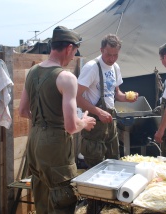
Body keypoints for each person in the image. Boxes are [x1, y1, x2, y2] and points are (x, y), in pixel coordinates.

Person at [19, 26, 96, 214]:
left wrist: (43, 120)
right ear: (69, 48)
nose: (74, 55)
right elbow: (70, 126)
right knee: (62, 197)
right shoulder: (66, 78)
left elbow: (22, 111)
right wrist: (84, 122)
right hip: (54, 146)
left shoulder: (32, 72)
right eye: (75, 50)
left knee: (42, 194)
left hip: (35, 140)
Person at [76, 33, 138, 213]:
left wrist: (126, 98)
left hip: (109, 119)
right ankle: (93, 207)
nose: (111, 59)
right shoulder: (91, 68)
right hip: (94, 121)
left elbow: (115, 93)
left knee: (113, 161)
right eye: (108, 54)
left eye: (115, 55)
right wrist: (97, 111)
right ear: (101, 49)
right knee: (95, 166)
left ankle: (111, 206)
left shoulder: (115, 67)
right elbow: (77, 97)